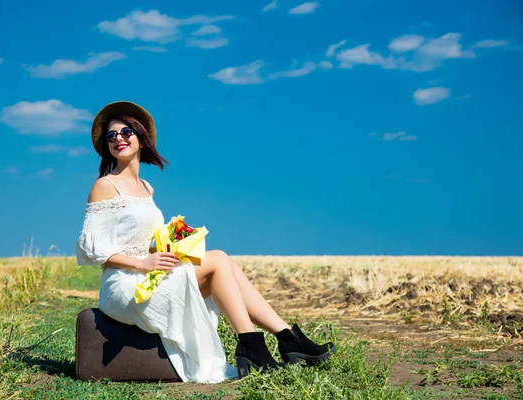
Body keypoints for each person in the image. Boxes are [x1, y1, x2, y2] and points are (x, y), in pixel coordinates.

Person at [76, 101, 336, 383]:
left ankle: (285, 336)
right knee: (219, 260)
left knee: (228, 268)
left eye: (126, 132)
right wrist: (142, 262)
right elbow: (93, 250)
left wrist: (171, 246)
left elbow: (140, 242)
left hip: (146, 275)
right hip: (123, 287)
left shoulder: (146, 188)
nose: (118, 139)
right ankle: (257, 345)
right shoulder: (104, 185)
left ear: (141, 137)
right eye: (111, 136)